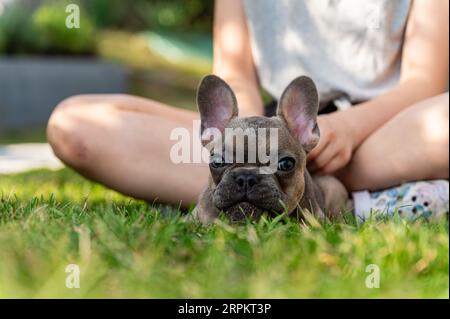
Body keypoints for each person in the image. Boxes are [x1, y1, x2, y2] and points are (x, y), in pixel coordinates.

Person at [47, 0, 449, 218]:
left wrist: (348, 128)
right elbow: (234, 71)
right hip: (270, 131)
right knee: (75, 124)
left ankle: (338, 194)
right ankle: (307, 187)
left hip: (383, 130)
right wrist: (250, 145)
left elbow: (422, 83)